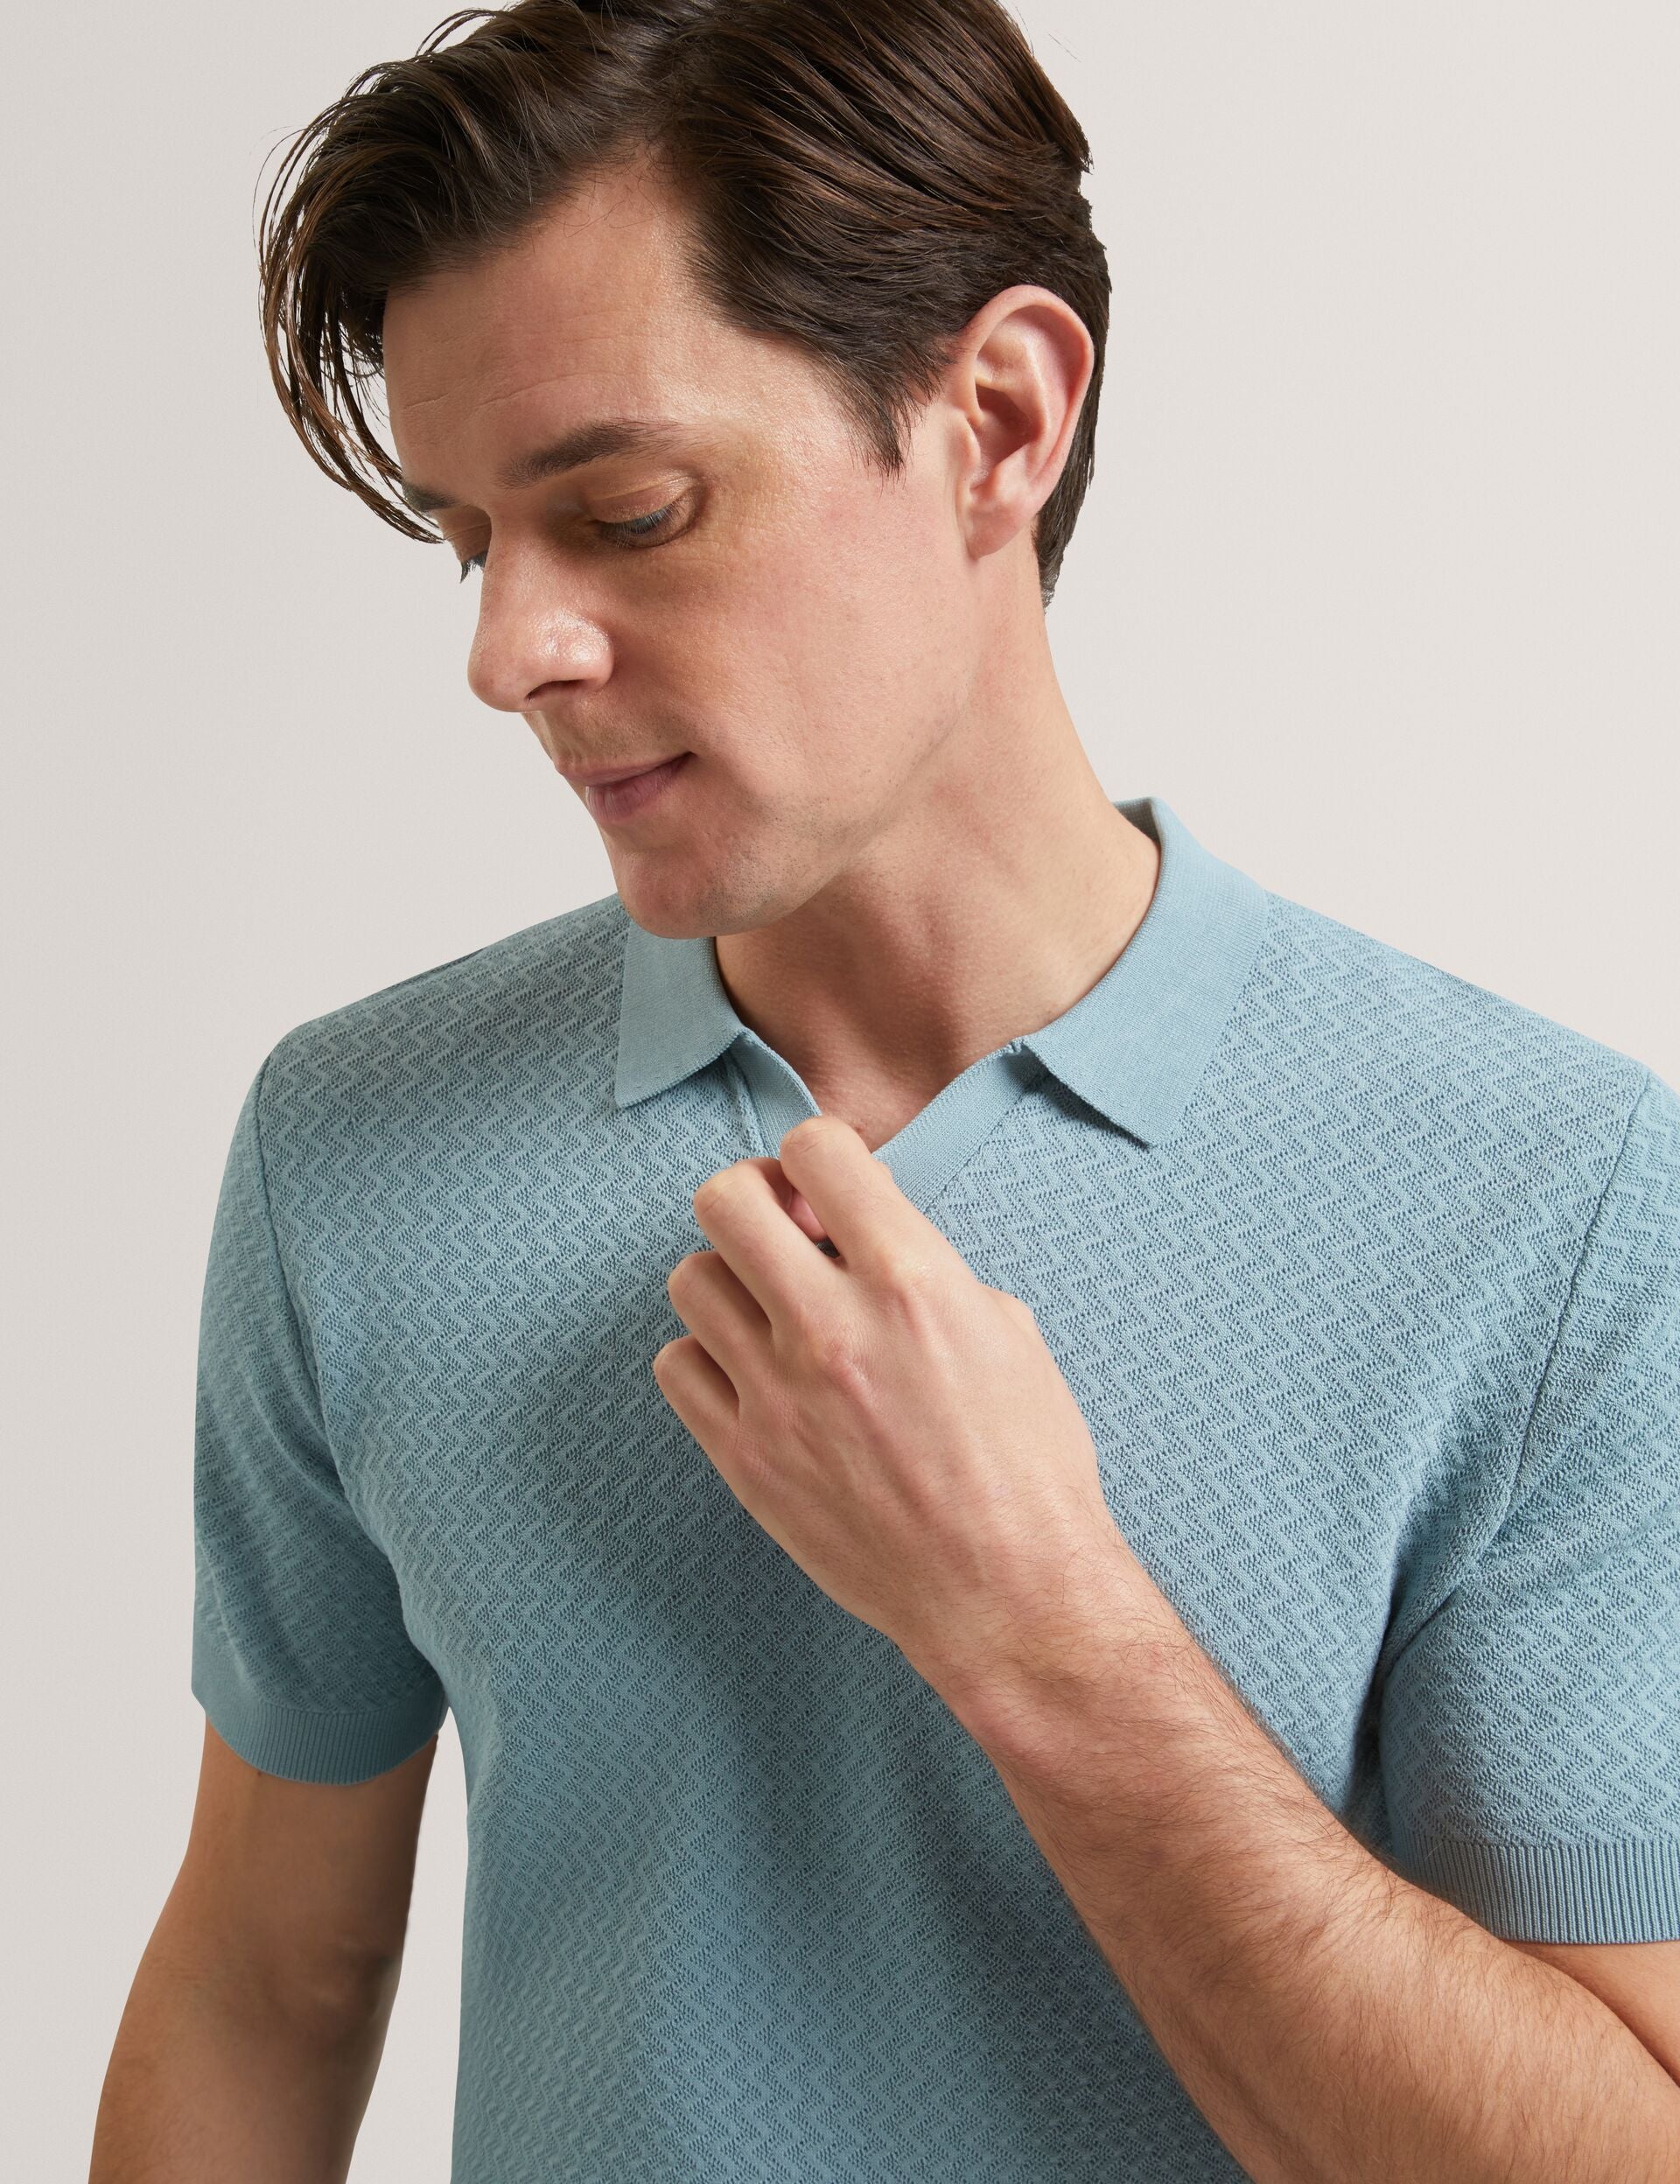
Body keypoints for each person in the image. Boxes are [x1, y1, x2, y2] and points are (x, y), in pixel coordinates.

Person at [91, 3, 1680, 2179]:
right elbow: (269, 1984)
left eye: (629, 512)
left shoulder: (1551, 1203)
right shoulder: (354, 1152)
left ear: (996, 423)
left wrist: (1041, 1626)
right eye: (472, 541)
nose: (508, 652)